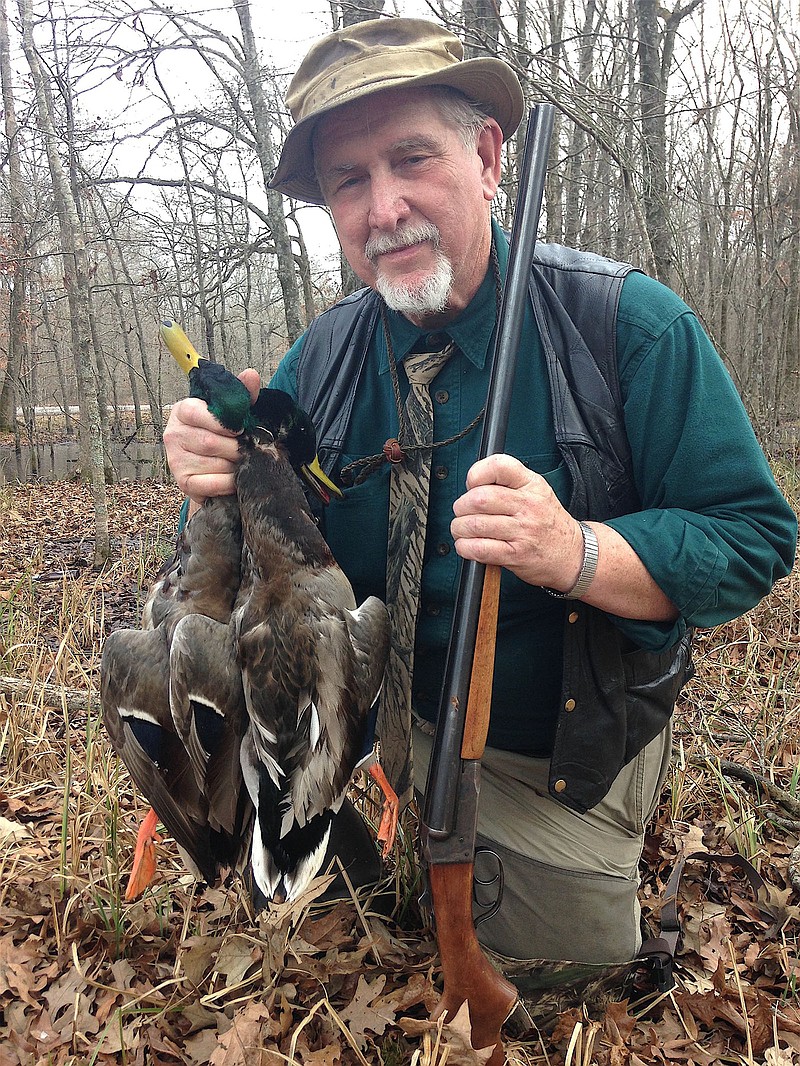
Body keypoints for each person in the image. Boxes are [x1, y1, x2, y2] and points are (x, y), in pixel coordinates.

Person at [163, 17, 797, 984]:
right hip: (370, 724)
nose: (385, 208)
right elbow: (240, 579)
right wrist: (217, 484)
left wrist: (579, 552)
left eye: (412, 158)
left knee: (555, 979)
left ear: (490, 157)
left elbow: (754, 537)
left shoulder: (628, 325)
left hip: (553, 749)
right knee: (294, 928)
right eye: (348, 180)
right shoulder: (324, 359)